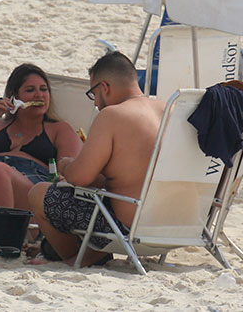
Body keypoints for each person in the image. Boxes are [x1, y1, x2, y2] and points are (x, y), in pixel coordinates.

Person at [27, 52, 166, 266]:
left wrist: (66, 165)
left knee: (39, 193)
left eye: (93, 94)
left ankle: (77, 259)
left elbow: (79, 177)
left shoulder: (112, 115)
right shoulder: (170, 109)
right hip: (174, 225)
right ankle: (91, 254)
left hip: (128, 227)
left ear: (105, 87)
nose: (96, 104)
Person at [0, 63, 82, 212]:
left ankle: (0, 233)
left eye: (44, 90)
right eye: (30, 90)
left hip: (31, 187)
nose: (39, 95)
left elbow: (71, 172)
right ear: (14, 96)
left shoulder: (59, 129)